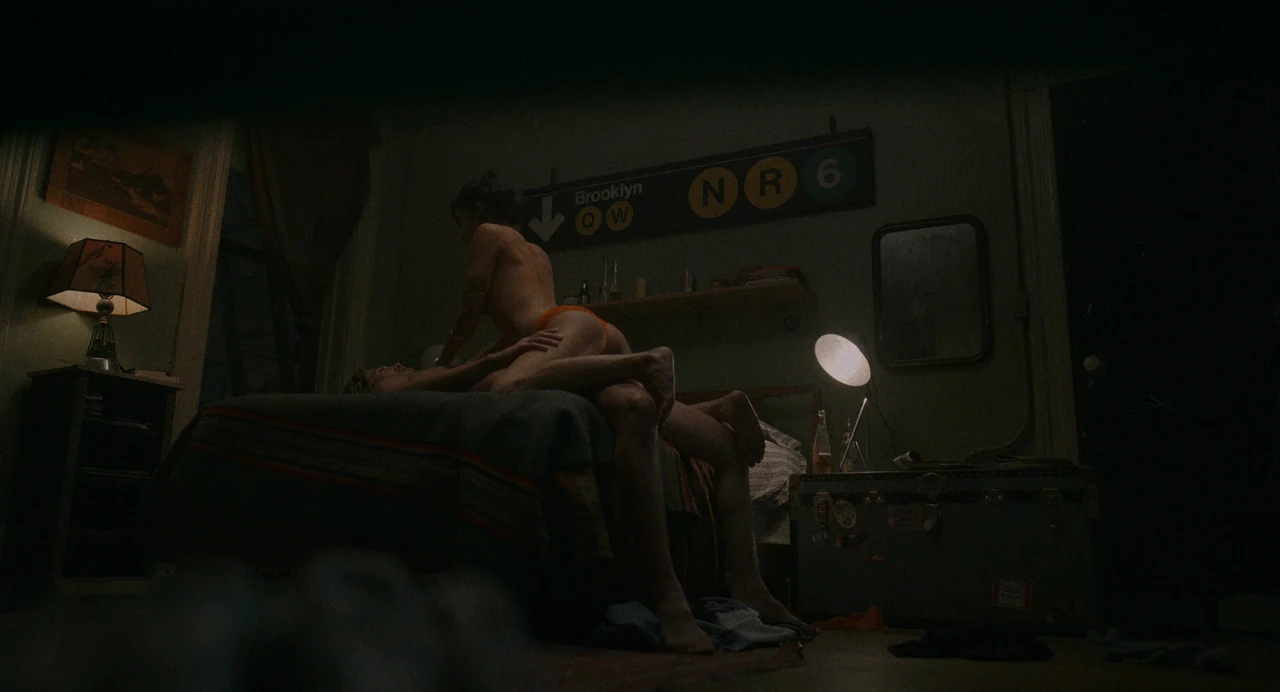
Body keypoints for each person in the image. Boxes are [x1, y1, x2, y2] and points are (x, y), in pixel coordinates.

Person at [347, 334, 811, 646]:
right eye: (380, 369)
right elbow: (443, 381)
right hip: (552, 376)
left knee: (637, 408)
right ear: (368, 388)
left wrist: (499, 355)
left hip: (553, 375)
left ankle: (733, 588)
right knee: (713, 442)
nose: (391, 365)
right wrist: (488, 359)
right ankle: (747, 582)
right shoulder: (392, 392)